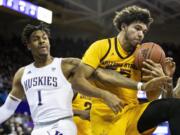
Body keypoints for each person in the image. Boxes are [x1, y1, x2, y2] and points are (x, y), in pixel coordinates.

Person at [0, 22, 169, 135]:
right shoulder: (22, 74)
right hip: (40, 128)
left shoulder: (68, 65)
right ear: (28, 45)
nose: (42, 42)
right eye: (36, 39)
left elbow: (102, 73)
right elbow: (8, 109)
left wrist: (140, 85)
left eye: (44, 38)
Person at [71, 5, 180, 135]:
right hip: (105, 115)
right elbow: (77, 81)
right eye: (137, 28)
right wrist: (104, 94)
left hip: (133, 113)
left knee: (174, 106)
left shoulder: (144, 55)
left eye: (144, 32)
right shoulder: (101, 47)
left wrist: (163, 79)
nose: (141, 34)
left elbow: (152, 98)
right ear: (123, 26)